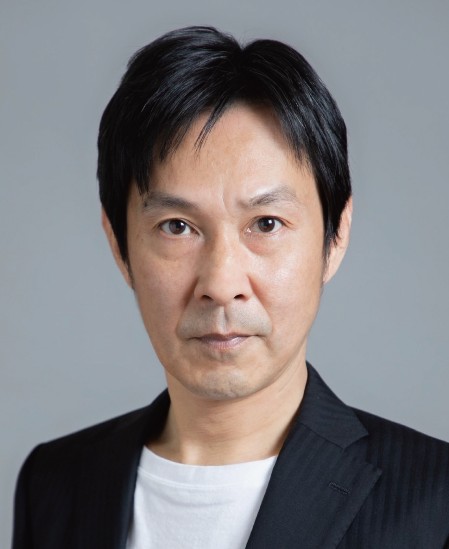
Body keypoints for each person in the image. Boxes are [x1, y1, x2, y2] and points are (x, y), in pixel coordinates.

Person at [12, 26, 449, 549]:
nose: (221, 285)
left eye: (266, 224)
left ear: (335, 237)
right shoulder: (54, 484)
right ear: (119, 245)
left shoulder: (434, 500)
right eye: (177, 227)